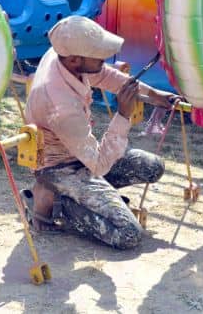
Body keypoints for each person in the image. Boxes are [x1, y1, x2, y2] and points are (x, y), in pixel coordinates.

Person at [23, 15, 180, 249]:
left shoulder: (62, 54)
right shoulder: (60, 103)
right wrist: (123, 114)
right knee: (128, 234)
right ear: (75, 60)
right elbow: (98, 165)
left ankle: (85, 197)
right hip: (60, 168)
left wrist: (155, 95)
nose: (104, 57)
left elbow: (105, 75)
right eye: (98, 55)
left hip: (81, 154)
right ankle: (56, 201)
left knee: (152, 166)